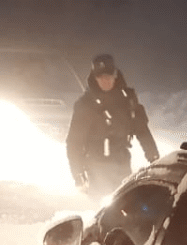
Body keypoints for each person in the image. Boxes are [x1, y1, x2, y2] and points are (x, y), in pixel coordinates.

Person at [66, 53, 160, 198]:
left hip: (122, 165)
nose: (105, 80)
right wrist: (77, 173)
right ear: (95, 78)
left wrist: (153, 157)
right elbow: (74, 142)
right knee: (104, 207)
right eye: (101, 77)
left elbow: (142, 130)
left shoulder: (127, 100)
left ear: (115, 75)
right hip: (96, 168)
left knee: (126, 204)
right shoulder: (85, 105)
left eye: (109, 76)